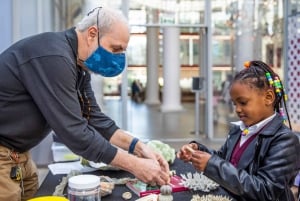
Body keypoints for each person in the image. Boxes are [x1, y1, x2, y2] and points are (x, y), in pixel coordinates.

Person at [0, 7, 170, 201]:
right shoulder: (54, 58)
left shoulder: (78, 66)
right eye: (115, 49)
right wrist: (134, 165)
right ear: (92, 34)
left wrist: (140, 148)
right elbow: (75, 132)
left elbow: (94, 118)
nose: (119, 58)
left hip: (19, 156)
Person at [177, 60, 300, 201]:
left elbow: (266, 191)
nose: (237, 109)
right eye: (235, 103)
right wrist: (198, 151)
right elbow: (224, 159)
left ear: (268, 97)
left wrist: (211, 165)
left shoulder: (285, 141)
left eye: (243, 102)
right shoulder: (239, 130)